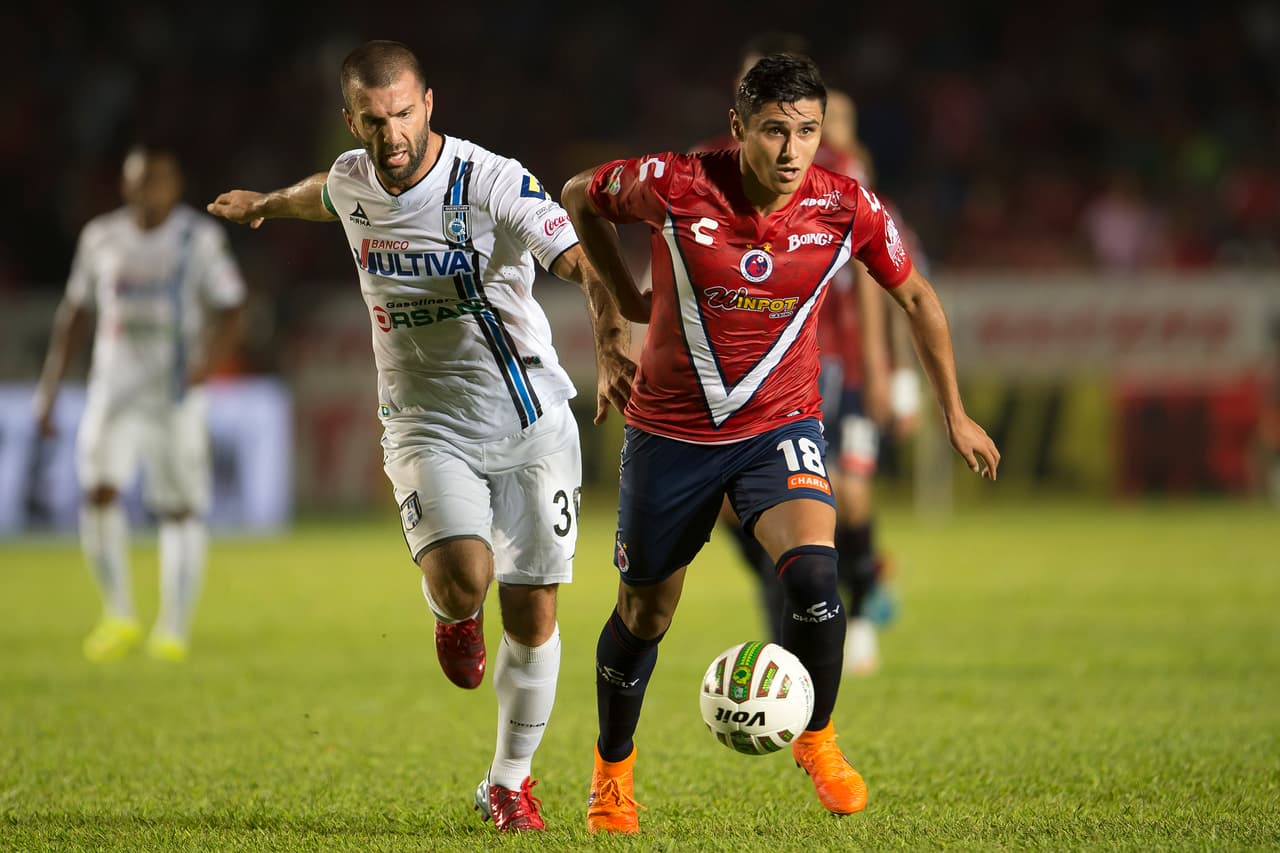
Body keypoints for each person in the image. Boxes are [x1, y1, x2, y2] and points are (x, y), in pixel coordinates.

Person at [562, 53, 999, 833]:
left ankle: (819, 736)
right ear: (739, 130)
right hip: (671, 433)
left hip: (779, 426)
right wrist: (617, 309)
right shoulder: (675, 181)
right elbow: (575, 199)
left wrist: (953, 412)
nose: (793, 150)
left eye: (806, 130)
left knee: (817, 577)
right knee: (644, 613)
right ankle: (612, 773)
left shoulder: (846, 206)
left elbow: (918, 296)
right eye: (774, 131)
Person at [207, 40, 634, 833]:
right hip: (423, 422)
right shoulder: (350, 177)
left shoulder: (492, 180)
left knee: (535, 615)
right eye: (372, 120)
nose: (390, 134)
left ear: (429, 103)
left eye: (403, 114)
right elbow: (321, 197)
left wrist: (611, 338)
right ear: (350, 119)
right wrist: (267, 200)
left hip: (531, 417)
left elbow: (580, 261)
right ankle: (451, 613)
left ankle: (509, 780)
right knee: (466, 577)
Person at [694, 33, 916, 675]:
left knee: (844, 494)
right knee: (738, 509)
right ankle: (788, 603)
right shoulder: (709, 164)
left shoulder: (840, 166)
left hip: (833, 354)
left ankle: (865, 596)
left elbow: (875, 271)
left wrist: (883, 367)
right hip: (749, 370)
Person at [33, 145, 247, 664]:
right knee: (98, 493)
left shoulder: (199, 238)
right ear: (125, 186)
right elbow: (75, 314)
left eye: (157, 180)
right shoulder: (101, 237)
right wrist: (50, 389)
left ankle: (172, 628)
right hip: (112, 391)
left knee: (179, 510)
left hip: (173, 397)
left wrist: (206, 365)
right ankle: (119, 614)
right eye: (138, 181)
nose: (146, 190)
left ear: (175, 187)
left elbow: (233, 307)